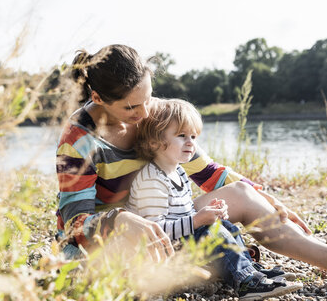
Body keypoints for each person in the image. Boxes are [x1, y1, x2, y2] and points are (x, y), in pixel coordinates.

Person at [55, 44, 327, 289]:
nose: (146, 114)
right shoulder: (78, 141)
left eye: (148, 98)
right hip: (112, 238)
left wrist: (264, 197)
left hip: (163, 220)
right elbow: (75, 226)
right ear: (98, 98)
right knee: (118, 274)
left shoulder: (154, 111)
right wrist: (121, 219)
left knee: (242, 193)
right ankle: (204, 268)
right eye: (132, 108)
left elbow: (206, 172)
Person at [124, 98, 303, 299]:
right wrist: (198, 220)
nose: (191, 142)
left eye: (193, 136)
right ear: (154, 141)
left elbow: (185, 212)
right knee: (212, 231)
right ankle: (246, 283)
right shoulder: (152, 179)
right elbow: (154, 232)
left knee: (226, 226)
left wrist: (209, 213)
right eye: (182, 136)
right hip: (164, 251)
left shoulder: (179, 172)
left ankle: (250, 270)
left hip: (182, 240)